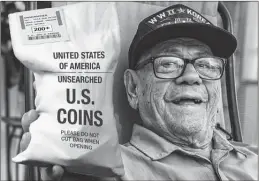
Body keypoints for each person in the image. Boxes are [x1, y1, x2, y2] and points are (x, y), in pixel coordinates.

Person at [19, 4, 258, 181]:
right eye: (168, 63)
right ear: (134, 88)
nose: (193, 76)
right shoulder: (111, 169)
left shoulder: (252, 157)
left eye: (206, 65)